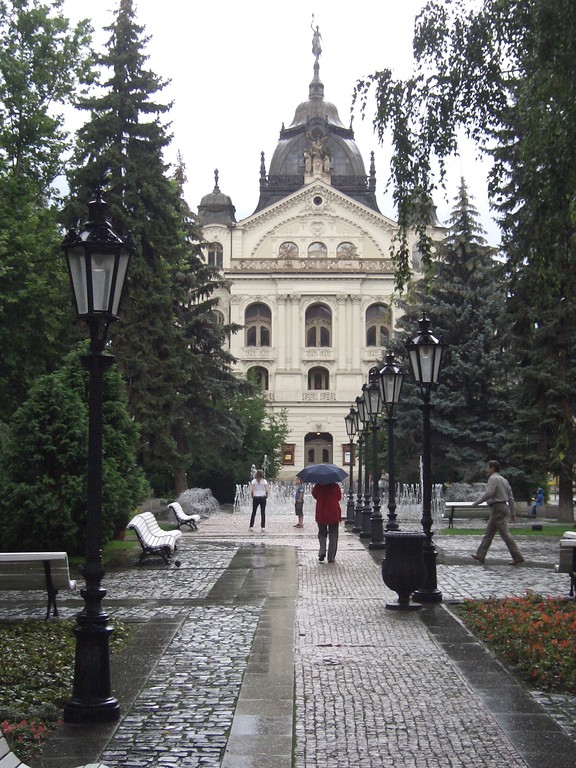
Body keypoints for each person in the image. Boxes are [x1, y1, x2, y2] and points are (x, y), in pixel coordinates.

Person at [471, 460, 524, 566]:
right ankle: (480, 555)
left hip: (497, 508)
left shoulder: (493, 479)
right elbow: (510, 497)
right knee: (489, 533)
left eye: (488, 467)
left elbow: (489, 493)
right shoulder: (504, 480)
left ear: (492, 468)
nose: (486, 470)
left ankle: (517, 556)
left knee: (505, 534)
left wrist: (477, 502)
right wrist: (512, 512)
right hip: (503, 507)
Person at [312, 482, 342, 563]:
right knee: (333, 535)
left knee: (322, 533)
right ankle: (331, 557)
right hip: (333, 512)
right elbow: (339, 497)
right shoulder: (335, 486)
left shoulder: (318, 485)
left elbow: (314, 495)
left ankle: (322, 551)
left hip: (321, 511)